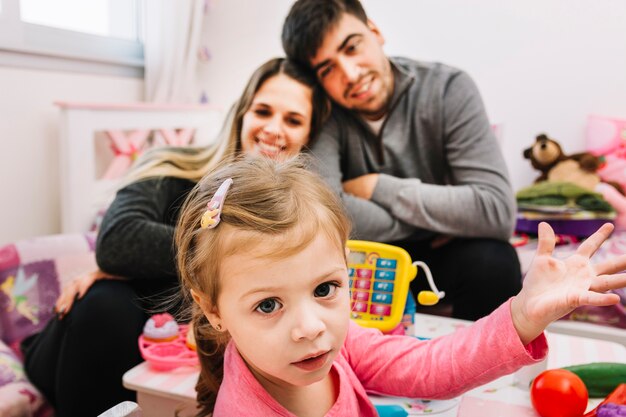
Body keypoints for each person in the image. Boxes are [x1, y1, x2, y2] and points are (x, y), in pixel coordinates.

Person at [176, 156, 626, 417]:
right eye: (269, 304)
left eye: (325, 289)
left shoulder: (339, 340)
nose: (310, 327)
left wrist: (524, 314)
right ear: (212, 308)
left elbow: (430, 367)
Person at [21, 57, 329, 417]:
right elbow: (117, 242)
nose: (274, 128)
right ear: (241, 114)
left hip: (169, 358)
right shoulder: (172, 166)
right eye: (262, 111)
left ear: (309, 136)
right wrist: (236, 260)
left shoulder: (298, 216)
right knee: (107, 300)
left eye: (293, 120)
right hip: (83, 345)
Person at [281, 0, 522, 320]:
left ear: (375, 31)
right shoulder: (324, 110)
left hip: (440, 256)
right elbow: (325, 212)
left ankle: (479, 366)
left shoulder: (447, 89)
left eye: (352, 48)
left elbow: (496, 211)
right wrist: (430, 221)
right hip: (362, 256)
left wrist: (376, 187)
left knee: (496, 263)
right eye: (328, 69)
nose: (350, 75)